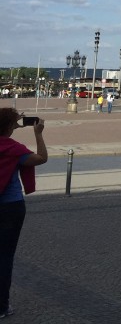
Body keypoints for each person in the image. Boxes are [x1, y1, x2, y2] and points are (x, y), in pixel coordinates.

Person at [0, 109, 48, 319]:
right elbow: (40, 159)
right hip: (10, 206)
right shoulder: (13, 148)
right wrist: (38, 134)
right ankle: (1, 305)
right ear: (8, 127)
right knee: (4, 256)